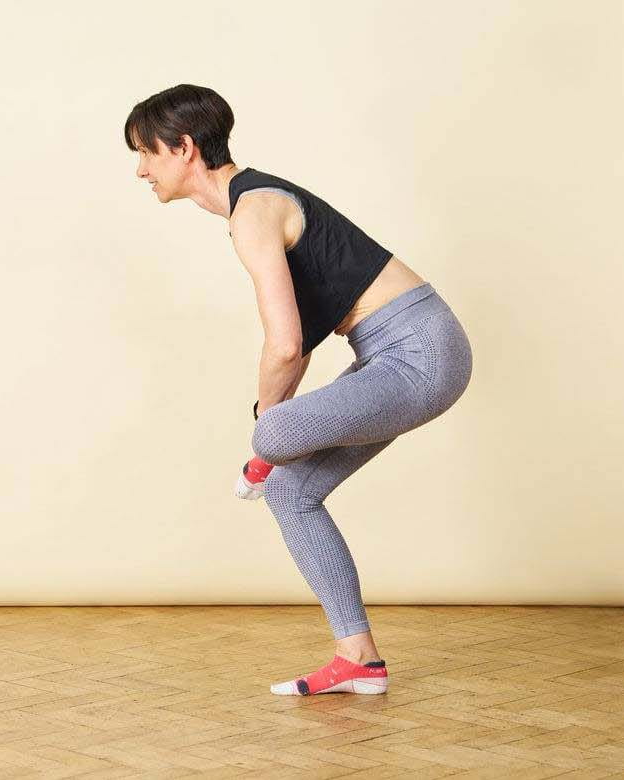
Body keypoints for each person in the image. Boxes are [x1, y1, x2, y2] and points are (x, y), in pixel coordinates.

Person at [124, 84, 473, 696]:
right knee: (290, 489)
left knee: (272, 432)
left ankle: (261, 456)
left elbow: (283, 345)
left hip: (418, 350)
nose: (139, 169)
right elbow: (302, 345)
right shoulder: (255, 206)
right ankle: (358, 660)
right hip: (396, 353)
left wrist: (267, 426)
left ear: (183, 149)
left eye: (146, 153)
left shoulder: (252, 213)